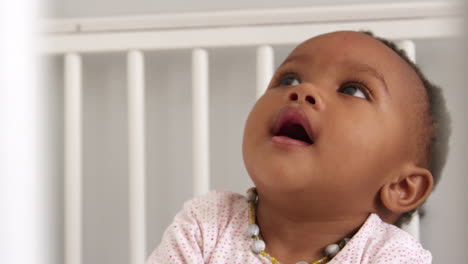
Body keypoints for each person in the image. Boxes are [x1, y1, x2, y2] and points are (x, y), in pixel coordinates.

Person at [146, 30, 451, 264]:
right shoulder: (208, 223)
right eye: (289, 79)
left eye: (352, 90)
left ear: (401, 187)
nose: (304, 91)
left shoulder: (390, 256)